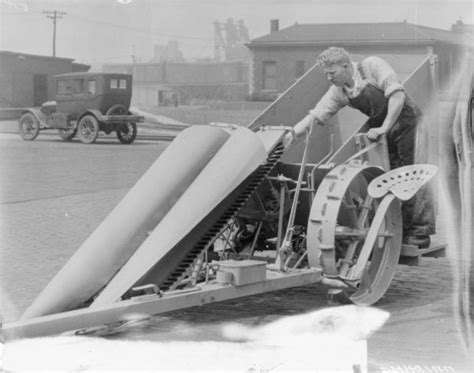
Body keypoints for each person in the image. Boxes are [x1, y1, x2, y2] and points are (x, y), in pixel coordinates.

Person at [284, 47, 435, 248]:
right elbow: (316, 115)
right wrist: (290, 135)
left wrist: (384, 127)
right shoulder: (339, 91)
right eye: (326, 74)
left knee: (415, 173)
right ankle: (398, 230)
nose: (329, 78)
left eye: (333, 73)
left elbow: (397, 96)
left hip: (409, 124)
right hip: (383, 130)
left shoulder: (372, 66)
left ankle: (420, 233)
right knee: (390, 176)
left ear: (346, 66)